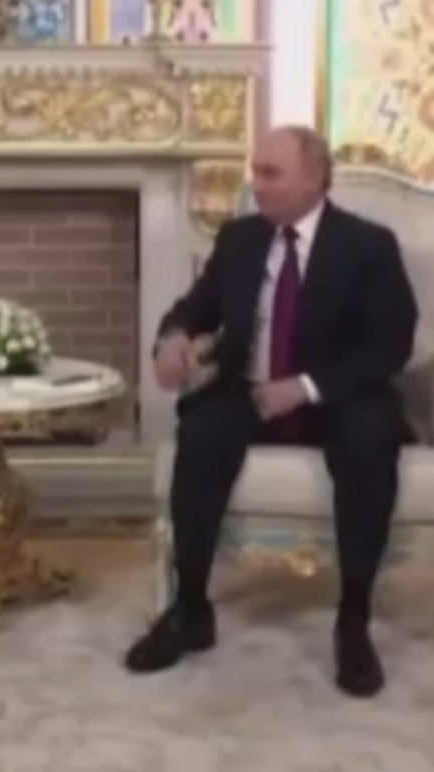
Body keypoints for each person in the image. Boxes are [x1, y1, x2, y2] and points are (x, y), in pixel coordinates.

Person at [124, 126, 418, 698]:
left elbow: (390, 346)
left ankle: (353, 621)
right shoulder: (240, 239)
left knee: (369, 440)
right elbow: (196, 307)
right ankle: (190, 609)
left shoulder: (367, 246)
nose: (255, 184)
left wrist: (306, 387)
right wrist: (174, 337)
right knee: (201, 433)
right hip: (251, 389)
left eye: (270, 173)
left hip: (339, 394)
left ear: (313, 179)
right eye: (254, 171)